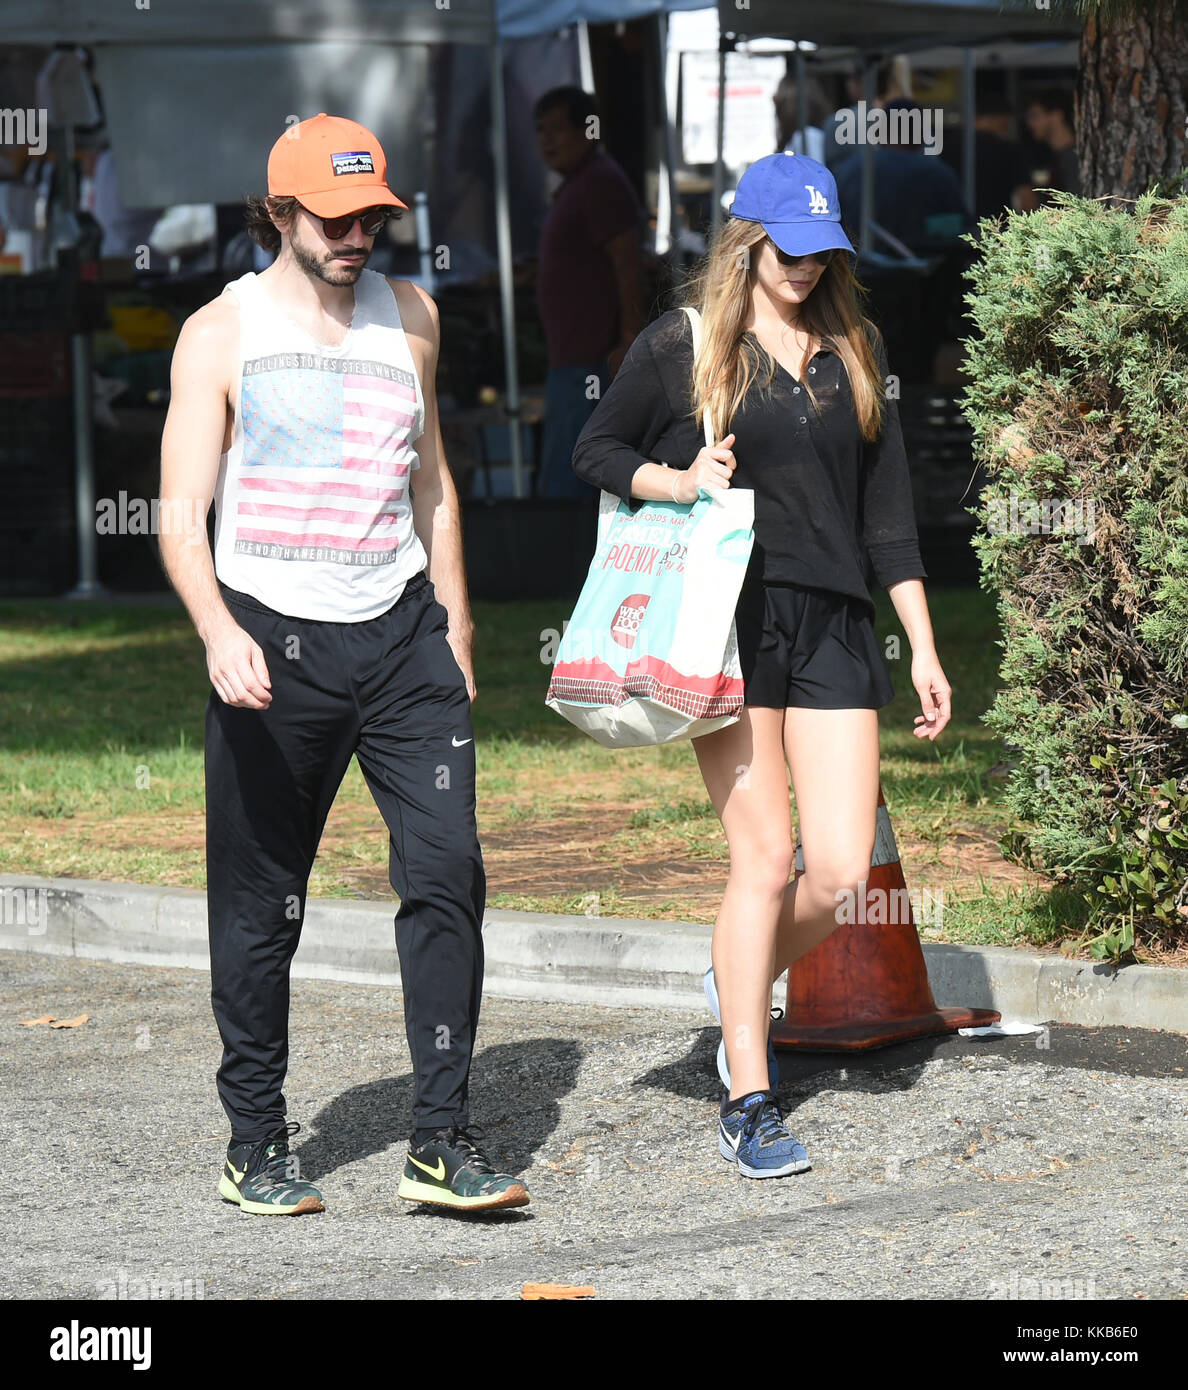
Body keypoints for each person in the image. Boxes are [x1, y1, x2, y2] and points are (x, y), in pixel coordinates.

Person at [157, 113, 528, 1216]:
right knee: (263, 902)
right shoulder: (219, 333)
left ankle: (441, 1139)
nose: (359, 234)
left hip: (403, 634)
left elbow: (435, 486)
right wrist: (219, 630)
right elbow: (181, 511)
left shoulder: (413, 317)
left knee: (448, 875)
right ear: (278, 214)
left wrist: (455, 624)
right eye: (335, 216)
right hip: (272, 638)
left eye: (373, 215)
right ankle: (257, 1142)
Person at [572, 152, 952, 1179]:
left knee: (835, 872)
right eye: (791, 249)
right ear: (749, 242)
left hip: (834, 624)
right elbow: (595, 450)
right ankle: (750, 1095)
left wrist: (920, 642)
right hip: (728, 623)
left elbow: (891, 520)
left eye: (824, 251)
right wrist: (679, 477)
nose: (806, 268)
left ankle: (733, 976)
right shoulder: (688, 345)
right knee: (766, 858)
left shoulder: (856, 347)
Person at [534, 86, 644, 499]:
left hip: (594, 363)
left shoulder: (600, 182)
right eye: (540, 130)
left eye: (557, 129)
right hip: (573, 360)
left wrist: (628, 339)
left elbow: (628, 264)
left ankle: (569, 564)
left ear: (588, 131)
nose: (547, 140)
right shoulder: (579, 184)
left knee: (574, 484)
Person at [833, 98, 971, 255]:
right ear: (923, 135)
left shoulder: (849, 170)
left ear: (878, 132)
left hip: (861, 268)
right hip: (923, 271)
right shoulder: (938, 174)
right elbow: (959, 230)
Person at [1026, 88, 1080, 198]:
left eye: (1035, 116)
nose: (1030, 124)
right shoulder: (1057, 156)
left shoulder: (1073, 157)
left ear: (1057, 115)